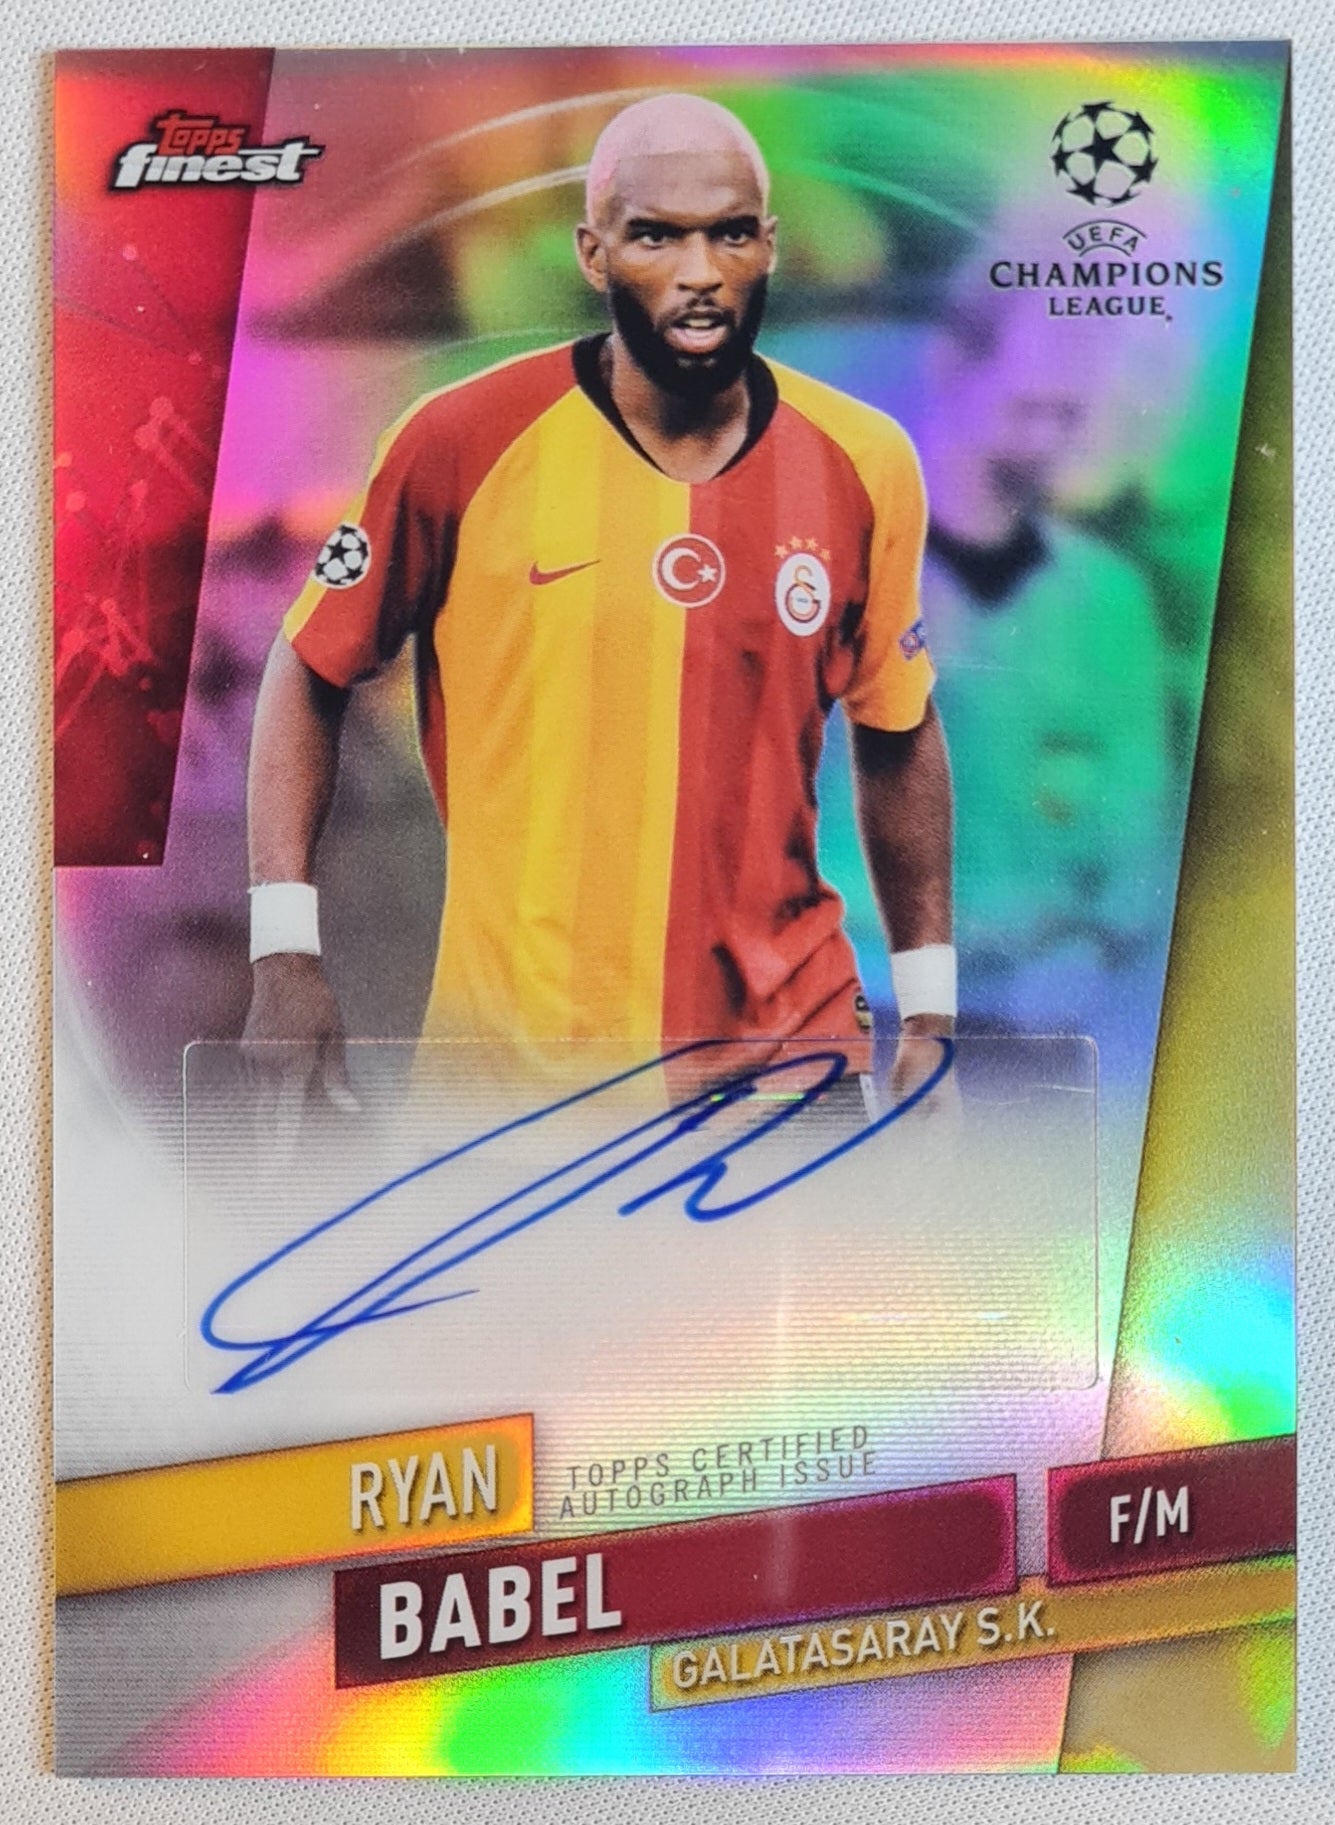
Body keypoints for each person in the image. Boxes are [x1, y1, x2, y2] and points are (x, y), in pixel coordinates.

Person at [243, 94, 954, 1103]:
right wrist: (284, 953)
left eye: (729, 233)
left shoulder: (864, 459)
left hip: (787, 1072)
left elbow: (899, 724)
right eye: (656, 236)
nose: (699, 272)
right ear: (593, 253)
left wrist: (929, 1012)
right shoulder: (460, 440)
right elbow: (311, 663)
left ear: (770, 244)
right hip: (516, 1084)